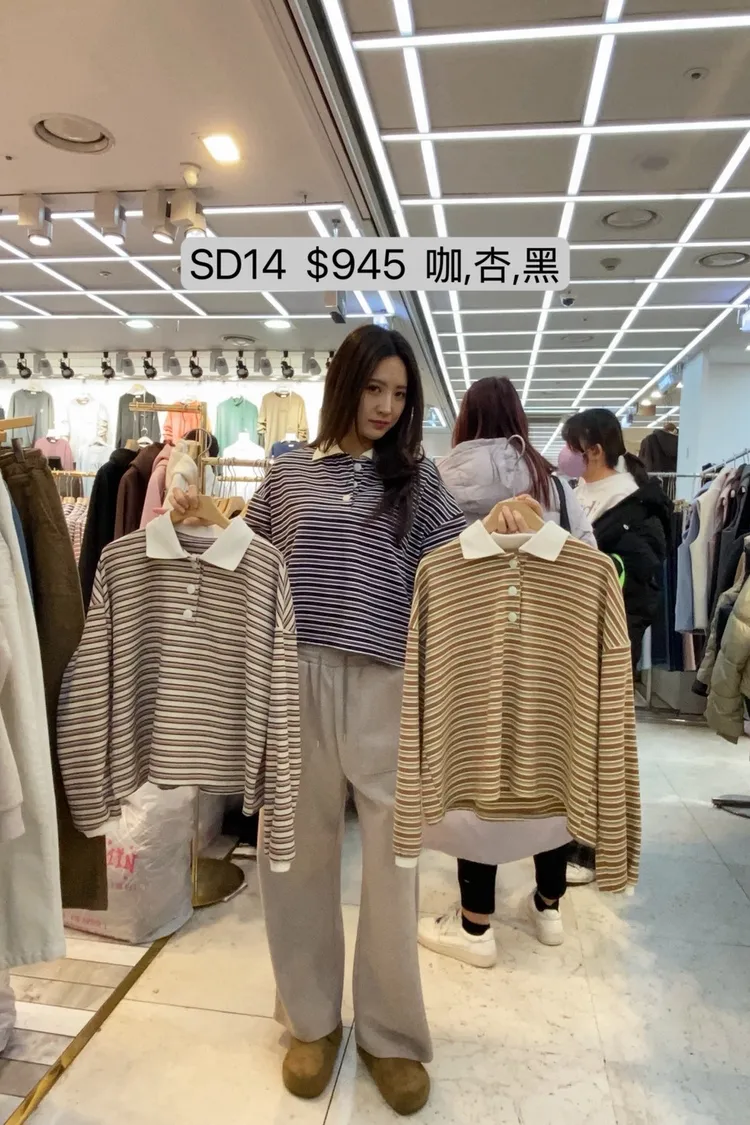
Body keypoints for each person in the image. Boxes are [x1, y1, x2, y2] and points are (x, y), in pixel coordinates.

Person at [175, 324, 465, 1116]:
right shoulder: (289, 473)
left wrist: (504, 522)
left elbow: (454, 567)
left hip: (386, 685)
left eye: (399, 393)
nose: (386, 406)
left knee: (395, 867)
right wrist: (203, 518)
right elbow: (248, 561)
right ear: (345, 385)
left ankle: (391, 1034)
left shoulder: (421, 479)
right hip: (295, 680)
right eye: (374, 388)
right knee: (294, 857)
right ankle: (310, 1019)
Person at [417, 376, 597, 970]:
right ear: (519, 417)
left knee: (476, 773)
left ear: (465, 419)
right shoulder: (552, 481)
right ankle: (549, 905)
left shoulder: (440, 477)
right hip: (549, 650)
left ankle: (476, 924)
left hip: (468, 648)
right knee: (547, 766)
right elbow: (588, 557)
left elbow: (424, 564)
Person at [559, 407, 672, 883]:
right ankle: (565, 835)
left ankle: (590, 848)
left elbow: (639, 591)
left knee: (600, 739)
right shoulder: (576, 492)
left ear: (594, 449)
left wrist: (616, 638)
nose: (564, 454)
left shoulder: (635, 506)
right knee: (569, 738)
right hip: (571, 634)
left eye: (571, 445)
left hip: (608, 637)